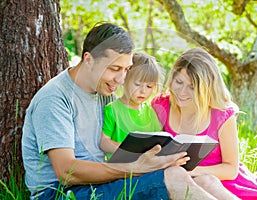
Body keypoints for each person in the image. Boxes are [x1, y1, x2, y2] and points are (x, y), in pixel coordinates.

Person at [21, 22, 234, 200]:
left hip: (99, 183)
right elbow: (66, 172)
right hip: (61, 193)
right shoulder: (55, 99)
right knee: (174, 177)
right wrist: (137, 167)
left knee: (206, 180)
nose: (121, 79)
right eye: (114, 69)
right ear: (88, 59)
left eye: (126, 69)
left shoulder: (104, 92)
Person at [152, 47, 257, 200]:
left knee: (207, 182)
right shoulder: (160, 105)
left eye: (192, 87)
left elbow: (231, 169)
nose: (182, 92)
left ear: (206, 88)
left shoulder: (221, 114)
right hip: (181, 184)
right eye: (179, 82)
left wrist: (192, 172)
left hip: (225, 184)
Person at [100, 52, 163, 160]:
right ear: (124, 80)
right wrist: (129, 150)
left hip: (145, 167)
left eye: (149, 86)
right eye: (137, 84)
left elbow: (159, 141)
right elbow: (104, 142)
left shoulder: (150, 112)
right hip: (120, 169)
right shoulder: (113, 109)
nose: (143, 91)